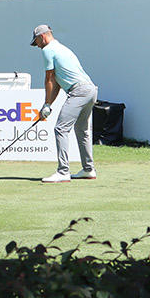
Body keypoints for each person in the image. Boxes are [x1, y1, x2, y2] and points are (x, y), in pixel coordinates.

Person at [30, 24, 98, 183]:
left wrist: (46, 105)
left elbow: (49, 79)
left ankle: (63, 171)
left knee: (60, 128)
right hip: (90, 90)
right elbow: (57, 83)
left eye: (36, 42)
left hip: (79, 92)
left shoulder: (48, 50)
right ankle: (88, 169)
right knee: (82, 130)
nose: (37, 46)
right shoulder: (63, 48)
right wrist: (48, 105)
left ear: (42, 37)